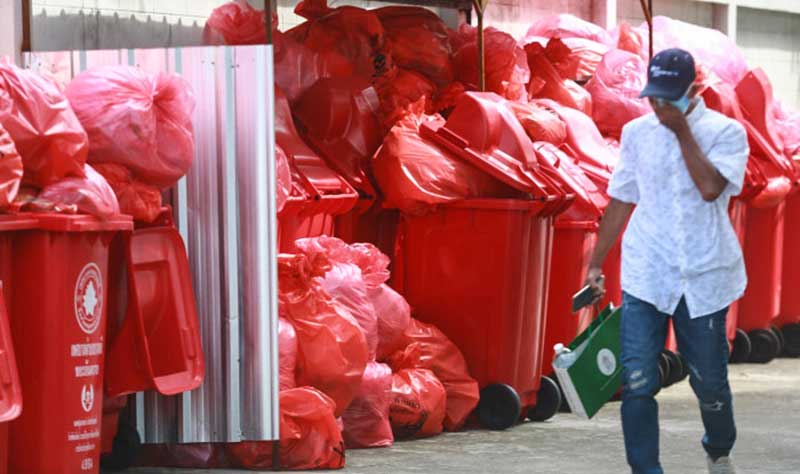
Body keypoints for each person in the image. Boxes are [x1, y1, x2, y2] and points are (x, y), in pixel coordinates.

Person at [585, 48, 749, 474]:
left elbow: (712, 188)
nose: (659, 106)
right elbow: (621, 199)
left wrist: (682, 133)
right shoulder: (637, 133)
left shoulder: (726, 133)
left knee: (708, 381)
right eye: (654, 96)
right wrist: (596, 264)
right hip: (647, 271)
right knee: (637, 380)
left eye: (668, 97)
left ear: (693, 89)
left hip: (704, 275)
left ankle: (719, 447)